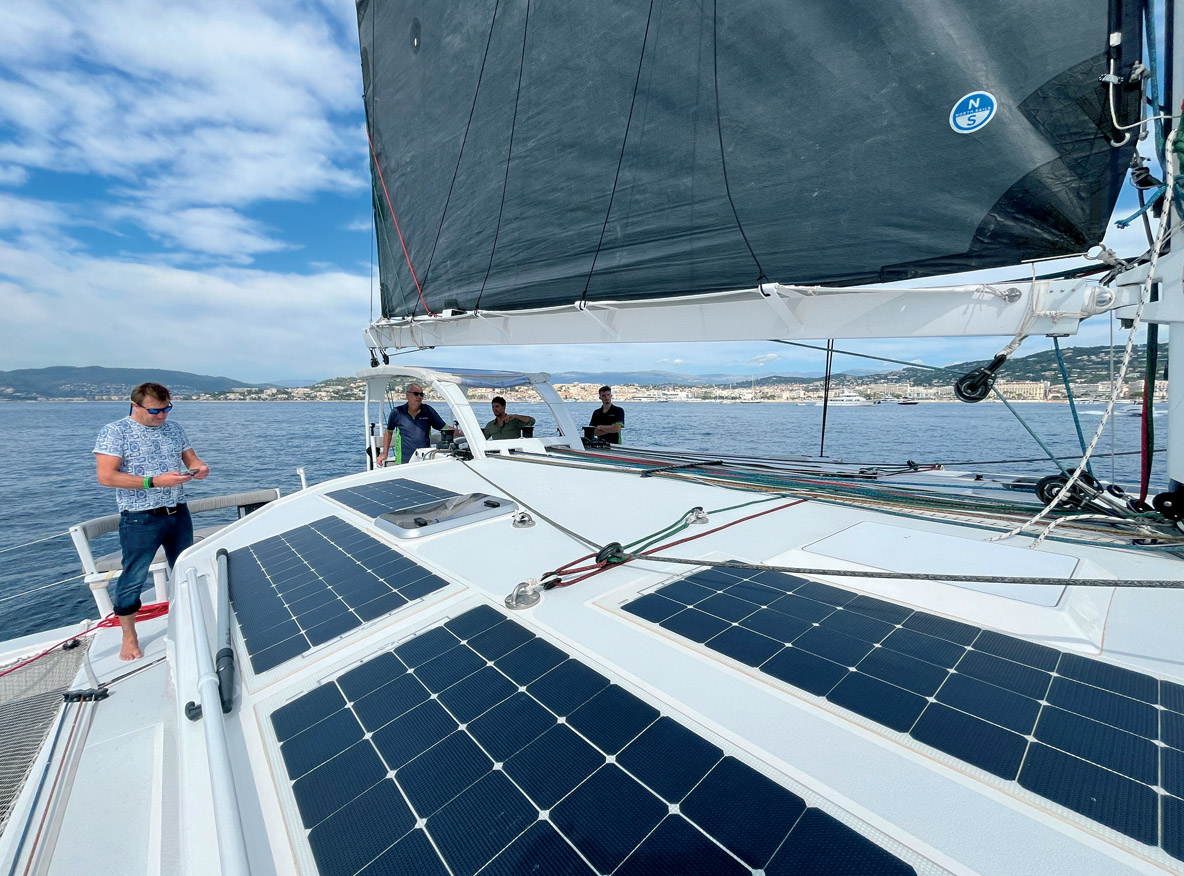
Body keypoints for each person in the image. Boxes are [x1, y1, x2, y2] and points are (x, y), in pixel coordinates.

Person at [94, 382, 209, 661]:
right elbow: (106, 476)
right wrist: (153, 482)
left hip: (177, 512)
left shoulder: (174, 429)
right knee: (133, 577)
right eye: (155, 411)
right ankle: (129, 635)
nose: (162, 416)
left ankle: (190, 622)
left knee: (185, 568)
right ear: (136, 405)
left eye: (166, 409)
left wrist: (200, 469)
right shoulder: (115, 431)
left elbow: (192, 459)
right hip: (140, 518)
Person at [376, 383, 448, 465]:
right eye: (416, 394)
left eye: (421, 394)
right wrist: (385, 454)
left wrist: (462, 432)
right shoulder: (397, 412)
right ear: (407, 395)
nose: (419, 397)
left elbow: (444, 427)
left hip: (424, 458)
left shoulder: (428, 411)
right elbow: (388, 432)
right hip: (404, 460)